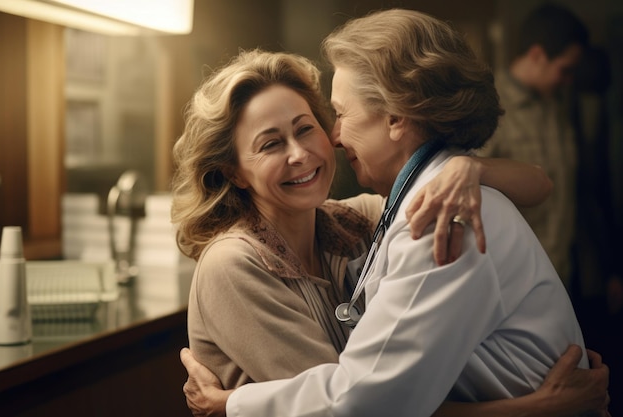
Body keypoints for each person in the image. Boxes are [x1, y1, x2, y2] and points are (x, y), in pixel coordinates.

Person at [175, 9, 611, 417]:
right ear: (232, 171)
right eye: (270, 144)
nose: (334, 135)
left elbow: (363, 401)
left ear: (397, 118)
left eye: (331, 117)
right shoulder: (404, 208)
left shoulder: (430, 219)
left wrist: (232, 405)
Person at [478, 3, 589, 291]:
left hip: (561, 275)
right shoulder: (488, 109)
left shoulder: (556, 105)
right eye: (564, 70)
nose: (568, 81)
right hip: (512, 283)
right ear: (537, 55)